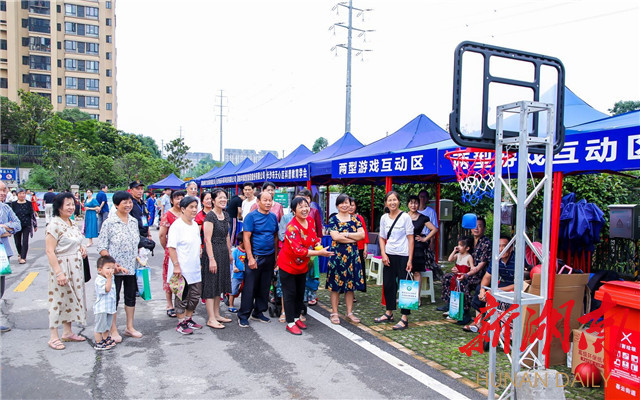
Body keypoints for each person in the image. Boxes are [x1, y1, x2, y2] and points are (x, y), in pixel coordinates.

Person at [278, 197, 333, 335]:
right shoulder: (292, 227)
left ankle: (296, 318)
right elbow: (298, 250)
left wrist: (318, 245)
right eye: (300, 207)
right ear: (293, 210)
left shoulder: (310, 220)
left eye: (306, 206)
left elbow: (313, 238)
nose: (304, 209)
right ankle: (290, 323)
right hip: (288, 265)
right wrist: (319, 253)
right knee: (290, 294)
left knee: (299, 293)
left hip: (302, 265)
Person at [97, 191, 143, 342]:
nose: (128, 205)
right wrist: (112, 264)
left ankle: (130, 327)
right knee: (113, 298)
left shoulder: (133, 221)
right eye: (125, 202)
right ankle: (113, 329)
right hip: (114, 269)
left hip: (131, 266)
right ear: (116, 205)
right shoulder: (109, 223)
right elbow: (101, 247)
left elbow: (136, 242)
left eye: (130, 202)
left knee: (130, 297)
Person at [44, 192, 88, 350]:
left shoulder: (71, 222)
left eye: (72, 204)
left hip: (75, 268)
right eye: (67, 204)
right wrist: (59, 273)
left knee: (71, 298)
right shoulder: (54, 225)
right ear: (59, 207)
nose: (71, 207)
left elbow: (75, 240)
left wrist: (81, 247)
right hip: (62, 266)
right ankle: (53, 336)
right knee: (58, 301)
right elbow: (50, 251)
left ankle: (67, 332)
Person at [439, 218, 492, 324]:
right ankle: (451, 304)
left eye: (479, 226)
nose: (476, 228)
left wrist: (467, 274)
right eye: (474, 226)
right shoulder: (469, 241)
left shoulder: (486, 243)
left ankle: (465, 312)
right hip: (465, 271)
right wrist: (456, 269)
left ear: (484, 228)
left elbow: (481, 265)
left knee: (463, 281)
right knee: (447, 277)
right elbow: (461, 256)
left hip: (479, 275)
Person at [238, 191, 279, 328]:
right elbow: (246, 238)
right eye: (265, 200)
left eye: (270, 200)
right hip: (255, 256)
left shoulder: (273, 217)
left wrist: (275, 256)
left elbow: (275, 237)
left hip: (269, 256)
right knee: (250, 287)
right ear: (258, 202)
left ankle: (258, 312)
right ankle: (243, 315)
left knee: (264, 286)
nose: (268, 203)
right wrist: (250, 258)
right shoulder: (251, 217)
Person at [375, 191, 415, 331]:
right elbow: (381, 237)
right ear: (386, 203)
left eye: (394, 200)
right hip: (389, 255)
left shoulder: (405, 217)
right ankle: (389, 313)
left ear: (399, 201)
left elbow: (411, 239)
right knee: (388, 285)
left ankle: (404, 318)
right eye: (389, 200)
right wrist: (383, 254)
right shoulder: (384, 218)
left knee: (405, 286)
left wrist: (410, 259)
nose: (392, 202)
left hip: (403, 255)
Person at [326, 193, 365, 325]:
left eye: (347, 202)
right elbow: (335, 237)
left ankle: (349, 312)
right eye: (341, 203)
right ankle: (334, 312)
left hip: (352, 256)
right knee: (335, 285)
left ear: (350, 204)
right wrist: (353, 238)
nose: (344, 205)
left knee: (350, 285)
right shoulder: (333, 219)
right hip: (337, 256)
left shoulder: (355, 219)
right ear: (337, 205)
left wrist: (346, 234)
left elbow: (362, 235)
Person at [167, 196, 204, 335]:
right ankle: (181, 322)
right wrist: (176, 266)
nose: (194, 210)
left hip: (194, 267)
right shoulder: (176, 226)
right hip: (181, 269)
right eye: (191, 207)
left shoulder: (194, 225)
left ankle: (188, 319)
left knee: (195, 296)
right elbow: (171, 247)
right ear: (183, 209)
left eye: (196, 207)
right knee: (182, 296)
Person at [465, 236, 515, 332]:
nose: (501, 249)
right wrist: (482, 290)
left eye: (504, 246)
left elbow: (521, 284)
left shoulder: (516, 259)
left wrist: (495, 291)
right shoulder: (496, 258)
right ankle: (478, 322)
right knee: (479, 289)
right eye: (499, 246)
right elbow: (487, 276)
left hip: (513, 285)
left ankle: (498, 324)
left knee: (495, 294)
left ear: (511, 248)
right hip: (503, 283)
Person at [201, 189, 233, 328]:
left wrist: (230, 252)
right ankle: (211, 318)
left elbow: (227, 235)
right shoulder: (210, 216)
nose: (223, 200)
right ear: (213, 200)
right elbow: (207, 240)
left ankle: (217, 314)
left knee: (219, 284)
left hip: (223, 253)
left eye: (225, 197)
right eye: (220, 197)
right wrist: (211, 259)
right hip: (212, 253)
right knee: (211, 285)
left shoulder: (225, 215)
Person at [159, 190, 185, 318]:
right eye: (177, 198)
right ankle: (169, 305)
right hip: (171, 251)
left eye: (182, 198)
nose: (179, 201)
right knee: (170, 278)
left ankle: (181, 304)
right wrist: (168, 248)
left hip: (185, 251)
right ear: (171, 200)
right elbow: (162, 235)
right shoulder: (168, 215)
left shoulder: (186, 213)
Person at [0, 181, 21, 333]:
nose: (2, 193)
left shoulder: (6, 208)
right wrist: (4, 230)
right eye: (0, 190)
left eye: (4, 190)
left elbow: (18, 224)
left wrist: (5, 227)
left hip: (3, 253)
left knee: (0, 288)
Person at [406, 195, 438, 285]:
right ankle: (405, 293)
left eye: (416, 203)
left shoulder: (423, 218)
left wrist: (424, 239)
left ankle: (417, 294)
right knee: (405, 271)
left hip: (417, 248)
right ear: (408, 204)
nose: (413, 205)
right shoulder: (403, 216)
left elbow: (434, 229)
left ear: (418, 204)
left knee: (416, 272)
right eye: (411, 203)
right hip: (405, 246)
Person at [299, 189, 322, 305]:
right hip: (300, 248)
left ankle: (312, 295)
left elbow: (318, 229)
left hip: (313, 247)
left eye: (308, 198)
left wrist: (318, 242)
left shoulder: (314, 211)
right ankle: (302, 295)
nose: (305, 200)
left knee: (313, 273)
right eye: (303, 198)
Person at [445, 236, 475, 318]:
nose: (459, 247)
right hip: (456, 276)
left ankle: (461, 309)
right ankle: (451, 307)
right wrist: (454, 251)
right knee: (448, 280)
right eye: (458, 245)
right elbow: (450, 259)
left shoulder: (469, 257)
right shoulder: (458, 255)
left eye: (461, 245)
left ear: (467, 248)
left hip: (463, 277)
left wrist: (468, 273)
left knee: (461, 288)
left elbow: (472, 268)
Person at [93, 255, 118, 351]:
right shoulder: (100, 280)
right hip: (102, 308)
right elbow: (107, 289)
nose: (111, 270)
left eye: (112, 268)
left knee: (107, 325)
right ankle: (98, 342)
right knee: (100, 326)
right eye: (108, 268)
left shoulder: (110, 277)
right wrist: (109, 279)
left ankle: (106, 338)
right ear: (100, 270)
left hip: (109, 307)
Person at [10, 188, 37, 264]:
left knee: (25, 241)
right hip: (16, 225)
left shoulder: (29, 203)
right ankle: (20, 253)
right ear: (17, 195)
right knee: (17, 242)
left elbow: (32, 214)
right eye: (20, 193)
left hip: (26, 225)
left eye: (23, 193)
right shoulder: (13, 204)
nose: (22, 195)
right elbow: (11, 215)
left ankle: (23, 257)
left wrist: (35, 225)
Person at [348, 196, 369, 294]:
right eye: (349, 205)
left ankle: (355, 290)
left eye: (353, 205)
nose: (351, 207)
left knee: (358, 271)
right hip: (348, 248)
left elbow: (365, 234)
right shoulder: (343, 218)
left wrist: (365, 248)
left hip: (359, 247)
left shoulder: (360, 218)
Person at [228, 235, 246, 313]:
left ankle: (244, 306)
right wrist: (234, 267)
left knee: (245, 291)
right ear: (240, 242)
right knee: (233, 290)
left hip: (245, 275)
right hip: (236, 275)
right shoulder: (236, 251)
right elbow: (232, 261)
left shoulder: (248, 251)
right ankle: (231, 305)